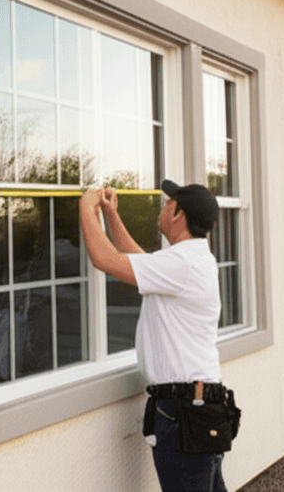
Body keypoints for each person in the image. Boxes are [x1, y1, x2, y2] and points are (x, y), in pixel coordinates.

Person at [79, 179, 230, 492]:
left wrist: (85, 206)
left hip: (184, 412)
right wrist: (111, 216)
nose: (162, 208)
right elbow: (139, 262)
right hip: (196, 408)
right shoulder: (191, 260)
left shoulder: (183, 263)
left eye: (167, 203)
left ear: (177, 213)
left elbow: (105, 260)